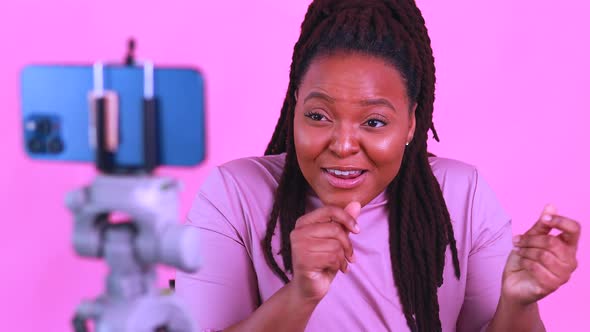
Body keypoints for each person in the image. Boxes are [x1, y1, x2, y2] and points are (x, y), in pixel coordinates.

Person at [175, 0, 581, 331]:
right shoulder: (235, 194)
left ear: (411, 123)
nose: (344, 145)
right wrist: (300, 296)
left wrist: (520, 303)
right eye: (318, 115)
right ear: (295, 104)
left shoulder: (462, 196)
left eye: (374, 122)